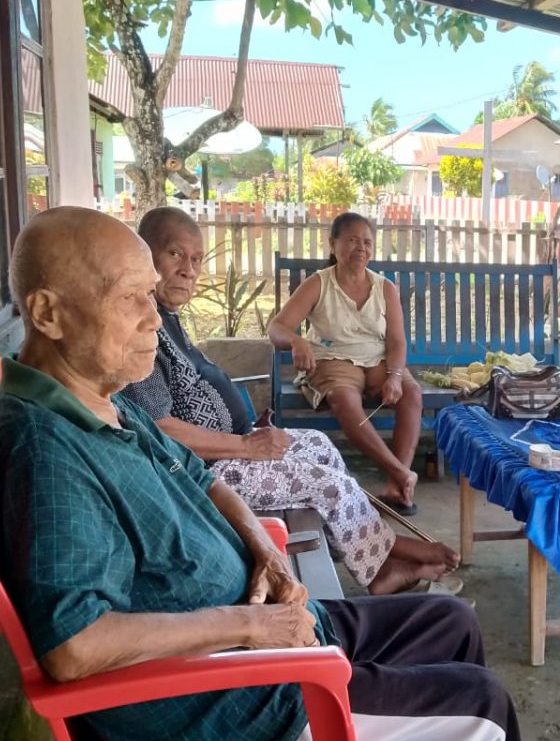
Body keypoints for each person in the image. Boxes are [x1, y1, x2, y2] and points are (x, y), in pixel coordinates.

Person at [0, 207, 527, 741]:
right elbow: (74, 646)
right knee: (481, 707)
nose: (154, 318)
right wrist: (252, 627)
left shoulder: (102, 404)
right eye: (130, 299)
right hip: (219, 707)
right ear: (48, 313)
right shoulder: (43, 453)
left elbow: (204, 480)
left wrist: (265, 551)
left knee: (452, 622)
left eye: (151, 295)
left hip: (263, 644)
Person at [121, 207, 457, 595]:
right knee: (327, 484)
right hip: (206, 472)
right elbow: (159, 428)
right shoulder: (139, 331)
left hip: (232, 448)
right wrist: (245, 445)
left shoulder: (165, 318)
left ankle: (373, 557)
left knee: (320, 445)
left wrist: (247, 430)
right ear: (144, 255)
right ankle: (387, 557)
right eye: (175, 254)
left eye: (196, 259)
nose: (188, 270)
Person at [268, 212, 423, 515]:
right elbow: (277, 328)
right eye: (352, 240)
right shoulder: (318, 284)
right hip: (333, 359)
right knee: (343, 398)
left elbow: (396, 341)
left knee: (411, 393)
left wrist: (394, 376)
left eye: (367, 242)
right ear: (333, 244)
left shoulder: (384, 288)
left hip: (378, 360)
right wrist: (297, 341)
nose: (361, 247)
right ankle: (402, 473)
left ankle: (396, 485)